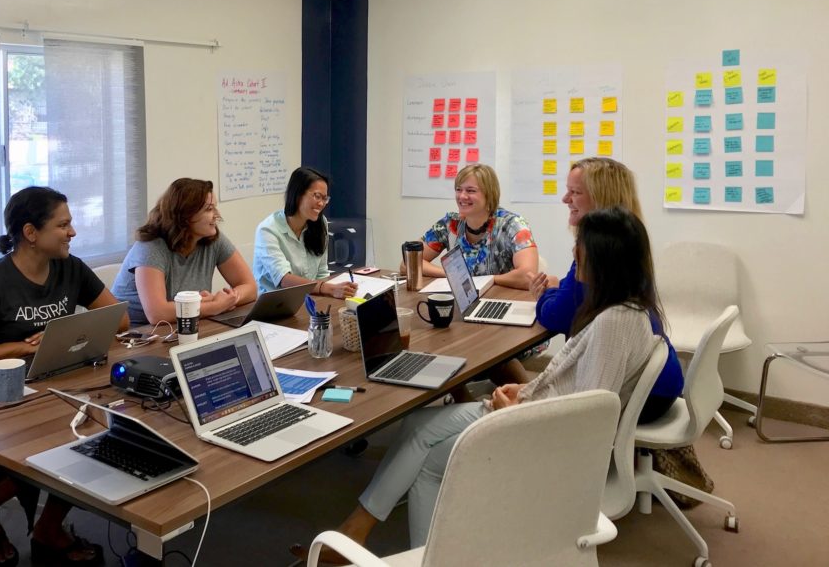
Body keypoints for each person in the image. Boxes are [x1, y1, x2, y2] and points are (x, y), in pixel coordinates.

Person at [293, 207, 665, 562]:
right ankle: (362, 532)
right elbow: (576, 391)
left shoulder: (615, 322)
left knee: (427, 461)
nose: (573, 251)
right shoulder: (625, 309)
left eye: (580, 245)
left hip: (540, 434)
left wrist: (517, 411)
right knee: (415, 426)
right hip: (531, 409)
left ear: (604, 257)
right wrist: (525, 391)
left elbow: (586, 419)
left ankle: (423, 556)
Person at [0, 186, 129, 567]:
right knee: (61, 440)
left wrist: (68, 330)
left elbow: (120, 318)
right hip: (6, 395)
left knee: (101, 429)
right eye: (63, 224)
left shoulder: (70, 267)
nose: (72, 232)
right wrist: (23, 348)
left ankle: (48, 526)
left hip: (56, 383)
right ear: (30, 233)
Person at [528, 157, 683, 423]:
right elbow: (569, 296)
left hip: (642, 393)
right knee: (526, 388)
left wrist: (543, 296)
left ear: (601, 199)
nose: (566, 199)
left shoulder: (599, 257)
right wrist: (555, 289)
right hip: (658, 381)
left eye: (575, 192)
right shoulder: (627, 241)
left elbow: (558, 315)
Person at [111, 178, 256, 325]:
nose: (216, 215)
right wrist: (215, 306)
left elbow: (250, 287)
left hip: (184, 326)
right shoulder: (150, 246)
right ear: (185, 215)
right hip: (137, 336)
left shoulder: (212, 238)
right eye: (209, 209)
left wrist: (230, 298)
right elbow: (158, 314)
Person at [414, 163, 538, 289]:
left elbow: (528, 276)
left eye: (471, 191)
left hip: (501, 300)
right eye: (458, 189)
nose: (462, 196)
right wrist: (452, 275)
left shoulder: (513, 225)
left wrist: (488, 280)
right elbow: (410, 262)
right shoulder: (450, 223)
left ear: (489, 195)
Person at [253, 167, 358, 298]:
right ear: (297, 194)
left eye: (325, 198)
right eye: (317, 196)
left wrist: (328, 295)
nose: (321, 203)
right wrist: (325, 288)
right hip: (275, 306)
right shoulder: (268, 230)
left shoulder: (320, 223)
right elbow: (284, 279)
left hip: (309, 299)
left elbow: (322, 273)